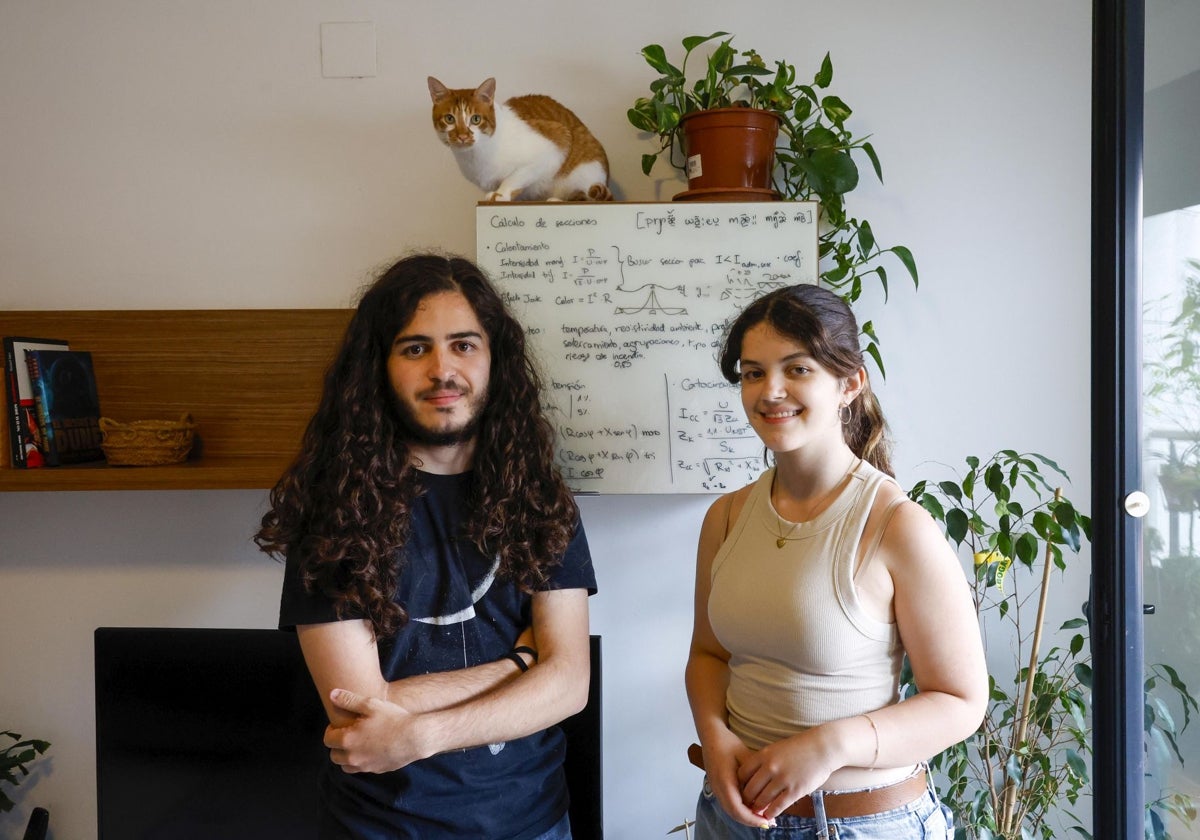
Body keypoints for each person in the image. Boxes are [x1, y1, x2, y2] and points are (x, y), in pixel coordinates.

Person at [256, 253, 597, 840]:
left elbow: (568, 683)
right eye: (415, 348)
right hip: (381, 828)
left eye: (464, 345)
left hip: (535, 822)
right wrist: (522, 664)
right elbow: (358, 711)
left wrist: (420, 733)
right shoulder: (335, 509)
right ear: (380, 367)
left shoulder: (539, 495)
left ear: (495, 360)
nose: (444, 369)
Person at [686, 284, 987, 838]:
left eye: (796, 369)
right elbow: (708, 655)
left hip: (864, 823)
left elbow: (961, 702)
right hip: (730, 817)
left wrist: (829, 745)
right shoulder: (725, 517)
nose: (770, 391)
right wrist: (716, 737)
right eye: (753, 373)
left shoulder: (897, 525)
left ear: (849, 383)